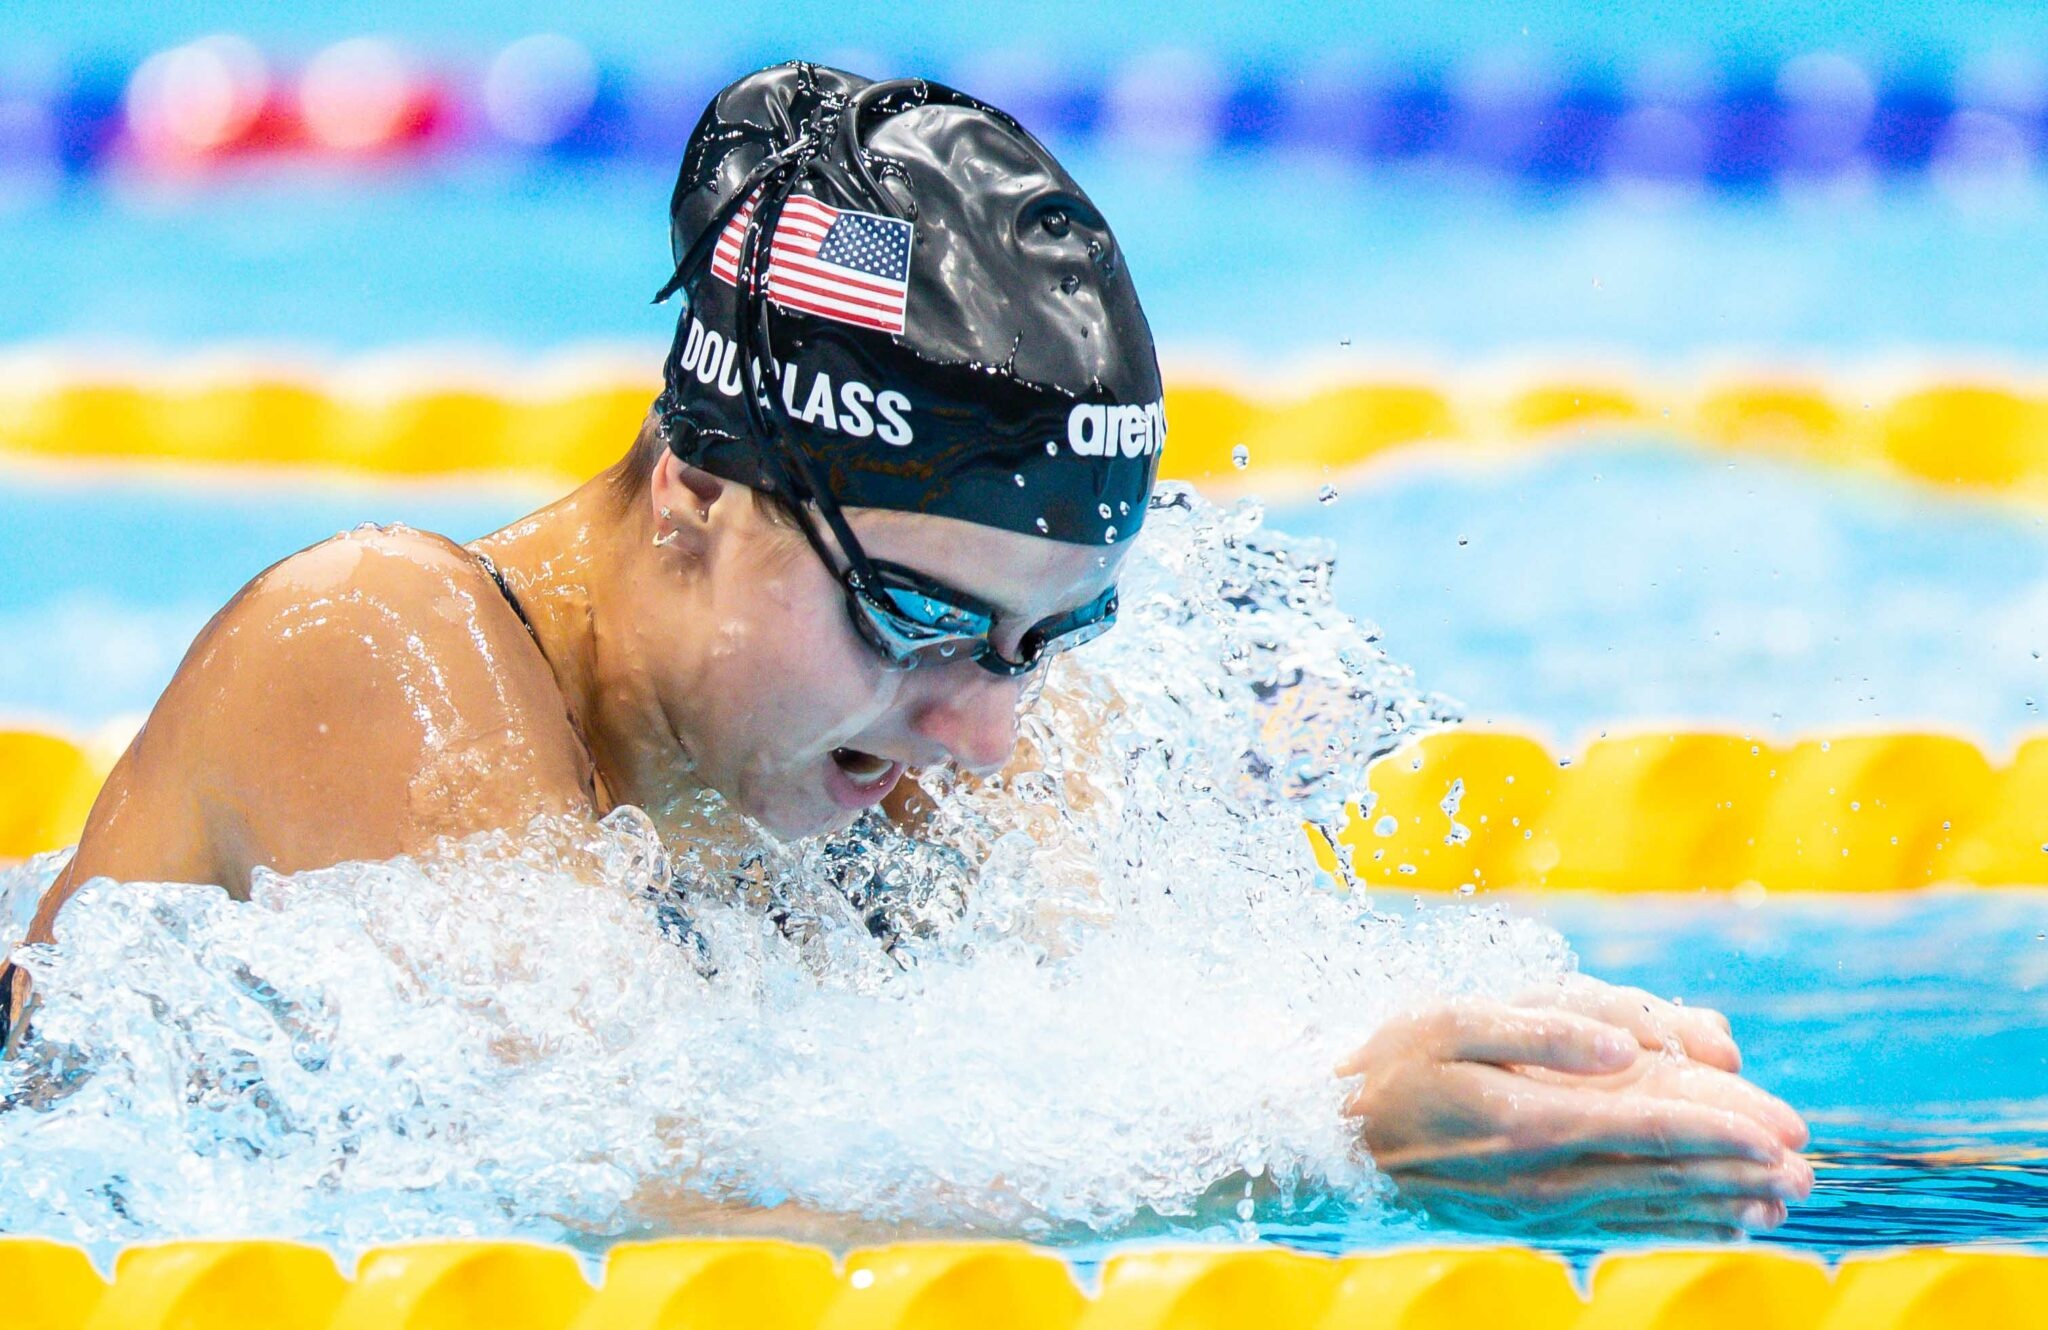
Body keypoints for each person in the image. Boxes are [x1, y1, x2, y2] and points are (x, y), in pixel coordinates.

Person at [0, 63, 1809, 1237]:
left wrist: (1508, 1098)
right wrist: (1317, 1123)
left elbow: (1082, 1069)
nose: (991, 729)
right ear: (704, 493)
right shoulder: (384, 650)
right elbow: (615, 1202)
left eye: (1049, 636)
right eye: (921, 615)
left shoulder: (933, 732)